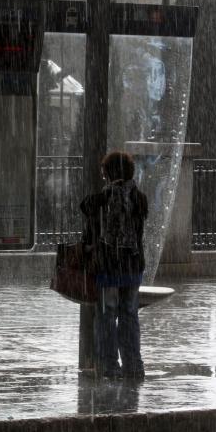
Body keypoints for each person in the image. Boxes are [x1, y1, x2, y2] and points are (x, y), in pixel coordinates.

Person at [80, 151, 148, 379]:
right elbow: (138, 232)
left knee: (107, 317)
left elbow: (84, 206)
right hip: (132, 267)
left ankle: (109, 366)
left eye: (104, 174)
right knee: (129, 315)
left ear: (109, 174)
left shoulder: (102, 199)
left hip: (109, 267)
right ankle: (133, 366)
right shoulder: (139, 198)